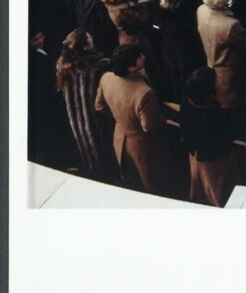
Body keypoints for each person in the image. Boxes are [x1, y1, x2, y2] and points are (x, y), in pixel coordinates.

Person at [93, 43, 167, 194]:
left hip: (120, 140)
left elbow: (99, 106)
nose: (144, 57)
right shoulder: (144, 93)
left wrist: (122, 118)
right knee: (152, 186)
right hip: (143, 148)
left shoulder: (106, 78)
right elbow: (149, 126)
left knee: (132, 184)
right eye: (140, 57)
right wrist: (164, 119)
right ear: (130, 67)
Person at [54, 28, 115, 180]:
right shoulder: (101, 65)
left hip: (76, 120)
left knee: (88, 151)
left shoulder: (63, 65)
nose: (92, 39)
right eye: (89, 39)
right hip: (98, 117)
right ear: (86, 46)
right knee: (104, 149)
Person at [179, 66, 236, 206]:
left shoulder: (187, 101)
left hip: (194, 154)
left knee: (199, 188)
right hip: (214, 160)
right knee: (218, 193)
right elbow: (226, 139)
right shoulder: (215, 114)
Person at [196, 0, 246, 110]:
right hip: (229, 72)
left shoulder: (201, 10)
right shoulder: (231, 25)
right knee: (232, 104)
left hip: (211, 62)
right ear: (220, 3)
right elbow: (245, 44)